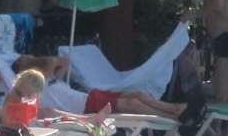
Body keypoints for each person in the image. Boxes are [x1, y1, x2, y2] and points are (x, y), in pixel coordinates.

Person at [14, 52, 185, 123]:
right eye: (23, 59)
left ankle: (173, 109)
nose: (27, 57)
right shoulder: (35, 86)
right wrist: (33, 61)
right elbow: (52, 62)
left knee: (139, 95)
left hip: (91, 97)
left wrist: (33, 61)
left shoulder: (49, 79)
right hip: (87, 106)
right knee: (132, 104)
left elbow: (64, 61)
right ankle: (171, 118)